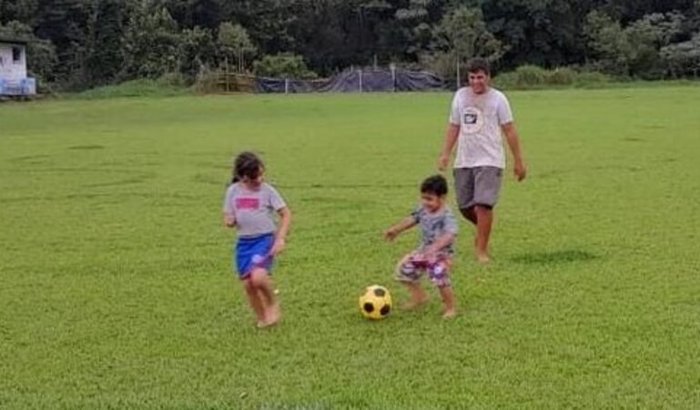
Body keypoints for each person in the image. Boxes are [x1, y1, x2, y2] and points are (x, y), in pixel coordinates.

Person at [438, 58, 527, 264]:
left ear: (488, 77)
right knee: (465, 205)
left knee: (483, 204)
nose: (476, 82)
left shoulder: (498, 99)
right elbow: (454, 126)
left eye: (480, 77)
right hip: (464, 159)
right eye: (472, 77)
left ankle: (481, 250)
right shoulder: (460, 96)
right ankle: (483, 229)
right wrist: (445, 153)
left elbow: (509, 130)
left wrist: (518, 161)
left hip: (490, 159)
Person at [222, 152, 292, 328]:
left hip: (264, 240)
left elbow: (286, 214)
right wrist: (229, 220)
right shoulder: (232, 191)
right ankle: (263, 317)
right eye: (255, 177)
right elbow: (228, 215)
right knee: (248, 284)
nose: (260, 179)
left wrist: (280, 239)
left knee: (259, 277)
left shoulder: (267, 191)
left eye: (262, 174)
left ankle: (273, 304)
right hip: (244, 243)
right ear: (243, 177)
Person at [384, 175, 459, 319]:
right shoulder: (423, 209)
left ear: (442, 198)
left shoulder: (447, 216)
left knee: (440, 279)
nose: (425, 202)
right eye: (423, 198)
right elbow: (412, 219)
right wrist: (396, 229)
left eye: (429, 199)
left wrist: (435, 247)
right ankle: (420, 297)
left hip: (441, 255)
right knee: (404, 271)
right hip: (424, 252)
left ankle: (451, 308)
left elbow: (450, 234)